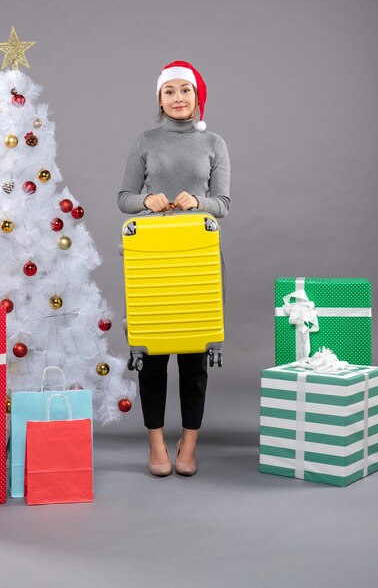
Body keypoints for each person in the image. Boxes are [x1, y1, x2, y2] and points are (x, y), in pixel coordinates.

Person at [118, 60, 231, 477]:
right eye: (170, 91)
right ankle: (155, 444)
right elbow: (125, 196)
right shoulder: (144, 141)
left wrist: (196, 202)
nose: (178, 98)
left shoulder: (214, 143)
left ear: (196, 96)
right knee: (154, 355)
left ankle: (189, 442)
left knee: (194, 357)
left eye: (185, 90)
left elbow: (224, 204)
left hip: (197, 256)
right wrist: (146, 202)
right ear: (160, 98)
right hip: (152, 258)